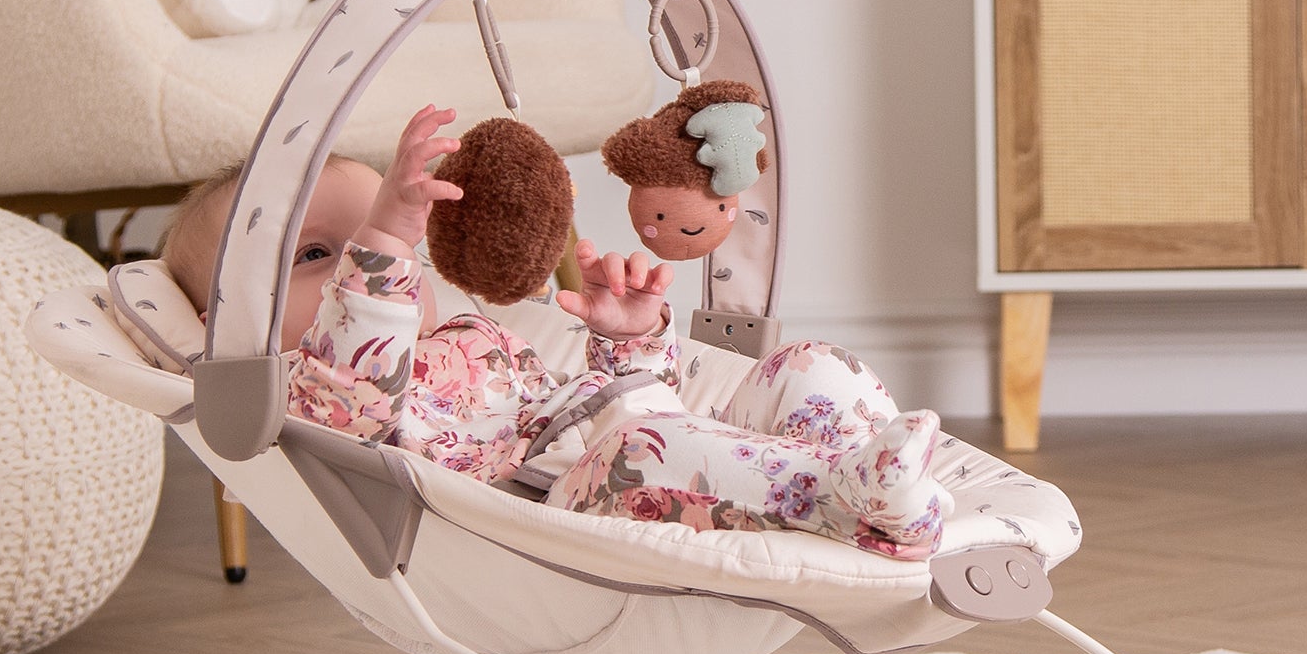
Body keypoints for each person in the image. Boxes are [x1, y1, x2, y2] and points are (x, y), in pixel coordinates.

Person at [162, 106, 949, 560]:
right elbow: (359, 372)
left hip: (665, 452)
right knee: (645, 454)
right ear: (223, 322)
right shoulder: (316, 389)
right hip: (562, 513)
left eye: (378, 241)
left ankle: (870, 469)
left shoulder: (479, 336)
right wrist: (387, 237)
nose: (359, 267)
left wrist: (630, 342)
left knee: (805, 365)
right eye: (316, 255)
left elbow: (621, 404)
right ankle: (860, 505)